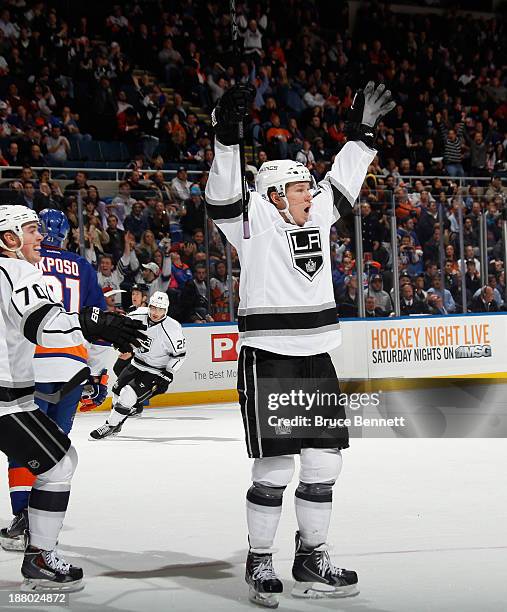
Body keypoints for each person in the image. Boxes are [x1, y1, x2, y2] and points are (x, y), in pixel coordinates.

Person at [206, 81, 394, 606]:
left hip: (317, 358)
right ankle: (259, 560)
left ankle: (312, 554)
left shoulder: (318, 216)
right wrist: (227, 140)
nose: (312, 196)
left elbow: (343, 182)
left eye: (310, 190)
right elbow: (222, 194)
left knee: (324, 465)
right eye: (300, 190)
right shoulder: (253, 224)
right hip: (269, 359)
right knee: (273, 468)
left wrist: (362, 136)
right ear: (273, 197)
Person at [0, 205, 146, 590]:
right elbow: (44, 326)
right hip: (8, 399)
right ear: (9, 239)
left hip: (21, 394)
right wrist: (92, 322)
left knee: (53, 457)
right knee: (59, 464)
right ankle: (39, 558)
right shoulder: (18, 270)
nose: (39, 239)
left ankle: (31, 539)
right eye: (30, 231)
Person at [1, 209, 113, 551]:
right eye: (29, 230)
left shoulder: (21, 264)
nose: (37, 237)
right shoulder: (76, 265)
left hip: (30, 364)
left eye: (38, 229)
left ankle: (23, 518)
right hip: (68, 361)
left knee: (27, 450)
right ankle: (40, 535)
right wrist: (98, 370)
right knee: (55, 451)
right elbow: (95, 319)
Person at [89, 292, 186, 439]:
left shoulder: (172, 328)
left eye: (160, 309)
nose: (156, 312)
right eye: (153, 308)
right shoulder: (138, 315)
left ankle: (110, 425)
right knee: (116, 390)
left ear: (166, 310)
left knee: (128, 394)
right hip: (137, 363)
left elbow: (180, 355)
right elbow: (122, 327)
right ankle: (117, 424)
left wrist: (169, 373)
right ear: (149, 306)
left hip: (155, 370)